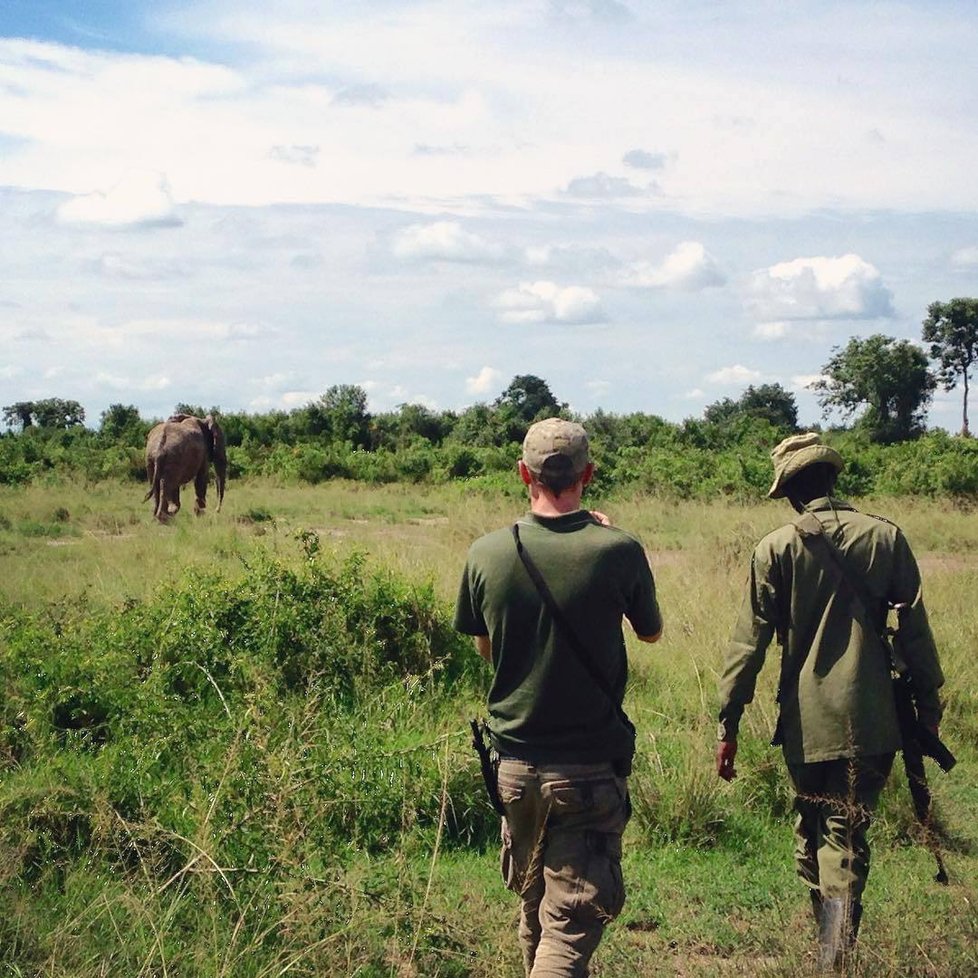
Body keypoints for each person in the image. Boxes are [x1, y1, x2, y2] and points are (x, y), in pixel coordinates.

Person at [715, 432, 945, 971]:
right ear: (832, 477)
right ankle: (835, 953)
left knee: (812, 825)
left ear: (791, 492)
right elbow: (916, 633)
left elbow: (748, 644)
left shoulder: (775, 548)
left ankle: (831, 951)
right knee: (843, 833)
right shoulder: (886, 538)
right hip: (872, 719)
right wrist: (928, 710)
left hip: (804, 721)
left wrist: (728, 724)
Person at [455, 417, 663, 978]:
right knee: (568, 929)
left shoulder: (487, 552)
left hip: (515, 768)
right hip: (590, 770)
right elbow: (649, 633)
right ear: (588, 475)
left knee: (536, 907)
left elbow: (485, 650)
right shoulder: (618, 549)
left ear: (523, 473)